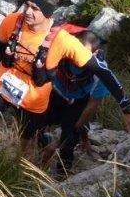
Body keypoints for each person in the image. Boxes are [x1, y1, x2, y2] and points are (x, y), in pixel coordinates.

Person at [0, 0, 130, 151]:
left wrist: (128, 110)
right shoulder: (13, 22)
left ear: (48, 12)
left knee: (25, 150)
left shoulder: (62, 40)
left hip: (33, 101)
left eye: (35, 8)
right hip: (0, 85)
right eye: (27, 5)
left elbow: (102, 71)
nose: (27, 12)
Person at [40, 30, 113, 172]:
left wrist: (73, 131)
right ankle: (41, 148)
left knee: (69, 141)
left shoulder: (101, 70)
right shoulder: (60, 52)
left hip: (78, 101)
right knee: (38, 124)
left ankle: (63, 172)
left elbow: (92, 105)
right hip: (55, 93)